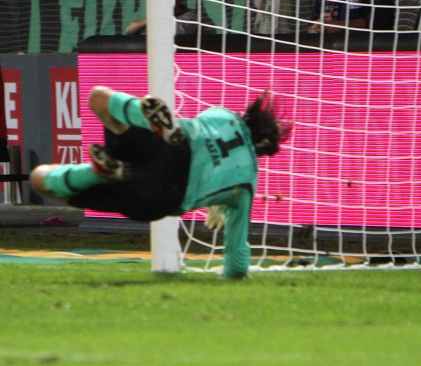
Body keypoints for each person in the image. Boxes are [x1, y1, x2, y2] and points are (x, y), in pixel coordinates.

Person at [30, 86, 293, 279]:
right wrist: (217, 205)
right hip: (165, 193)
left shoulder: (225, 116)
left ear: (249, 117)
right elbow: (236, 259)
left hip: (171, 146)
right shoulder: (246, 184)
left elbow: (208, 153)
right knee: (41, 180)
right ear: (264, 151)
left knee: (99, 98)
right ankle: (97, 173)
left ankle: (132, 127)